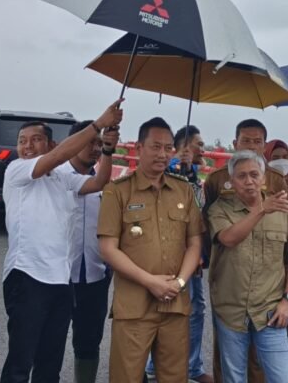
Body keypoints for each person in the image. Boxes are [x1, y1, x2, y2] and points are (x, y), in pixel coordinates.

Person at [0, 100, 123, 383]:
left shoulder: (61, 178)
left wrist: (106, 149)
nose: (27, 146)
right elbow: (56, 158)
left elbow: (98, 182)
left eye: (36, 140)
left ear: (50, 143)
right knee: (20, 361)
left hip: (60, 281)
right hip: (27, 276)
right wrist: (97, 125)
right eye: (22, 141)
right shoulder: (17, 170)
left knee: (49, 362)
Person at [97, 117, 204, 383]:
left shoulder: (183, 191)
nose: (163, 154)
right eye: (155, 147)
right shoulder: (117, 192)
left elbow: (194, 243)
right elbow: (108, 249)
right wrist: (151, 282)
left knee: (174, 377)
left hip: (175, 304)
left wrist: (179, 282)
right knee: (126, 377)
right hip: (134, 306)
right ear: (138, 148)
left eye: (168, 148)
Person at [203, 119, 288, 382]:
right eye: (247, 140)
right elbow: (220, 235)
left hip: (269, 305)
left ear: (264, 178)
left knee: (277, 373)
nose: (249, 181)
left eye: (254, 175)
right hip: (230, 301)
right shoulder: (216, 186)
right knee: (232, 371)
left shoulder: (279, 188)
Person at [147, 125, 214, 383]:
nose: (203, 148)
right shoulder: (170, 171)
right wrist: (180, 168)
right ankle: (175, 366)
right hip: (177, 253)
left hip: (191, 253)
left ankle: (188, 366)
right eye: (198, 144)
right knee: (182, 309)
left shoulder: (191, 172)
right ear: (184, 147)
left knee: (192, 309)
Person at [63, 120, 116, 383]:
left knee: (88, 342)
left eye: (99, 144)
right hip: (58, 276)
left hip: (95, 276)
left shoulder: (110, 185)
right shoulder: (55, 176)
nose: (95, 149)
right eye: (89, 142)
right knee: (49, 340)